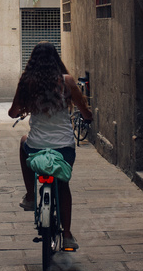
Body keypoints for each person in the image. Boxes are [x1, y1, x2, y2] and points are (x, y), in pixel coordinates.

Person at [8, 42, 92, 251]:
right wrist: (88, 116)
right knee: (62, 184)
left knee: (22, 141)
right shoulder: (67, 82)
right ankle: (68, 235)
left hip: (36, 147)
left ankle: (30, 195)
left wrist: (25, 109)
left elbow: (12, 112)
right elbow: (85, 111)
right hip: (64, 147)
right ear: (56, 60)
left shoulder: (27, 82)